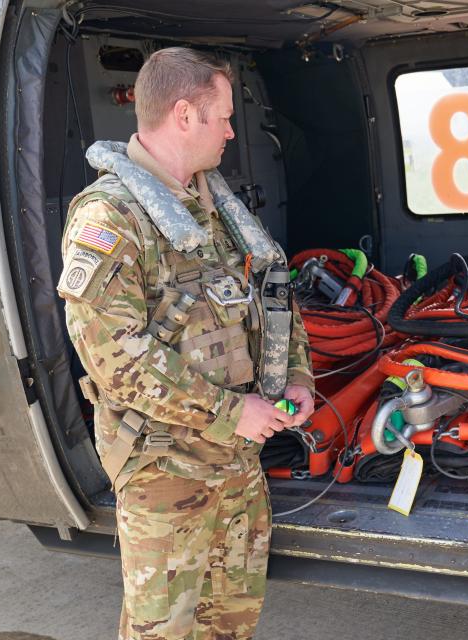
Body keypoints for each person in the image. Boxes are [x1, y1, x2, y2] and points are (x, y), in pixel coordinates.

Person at [57, 47, 314, 640]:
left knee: (230, 625)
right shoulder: (113, 217)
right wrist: (229, 411)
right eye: (222, 116)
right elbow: (114, 356)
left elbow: (269, 297)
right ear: (183, 114)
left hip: (235, 465)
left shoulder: (213, 205)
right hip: (165, 473)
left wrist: (297, 377)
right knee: (165, 631)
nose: (230, 130)